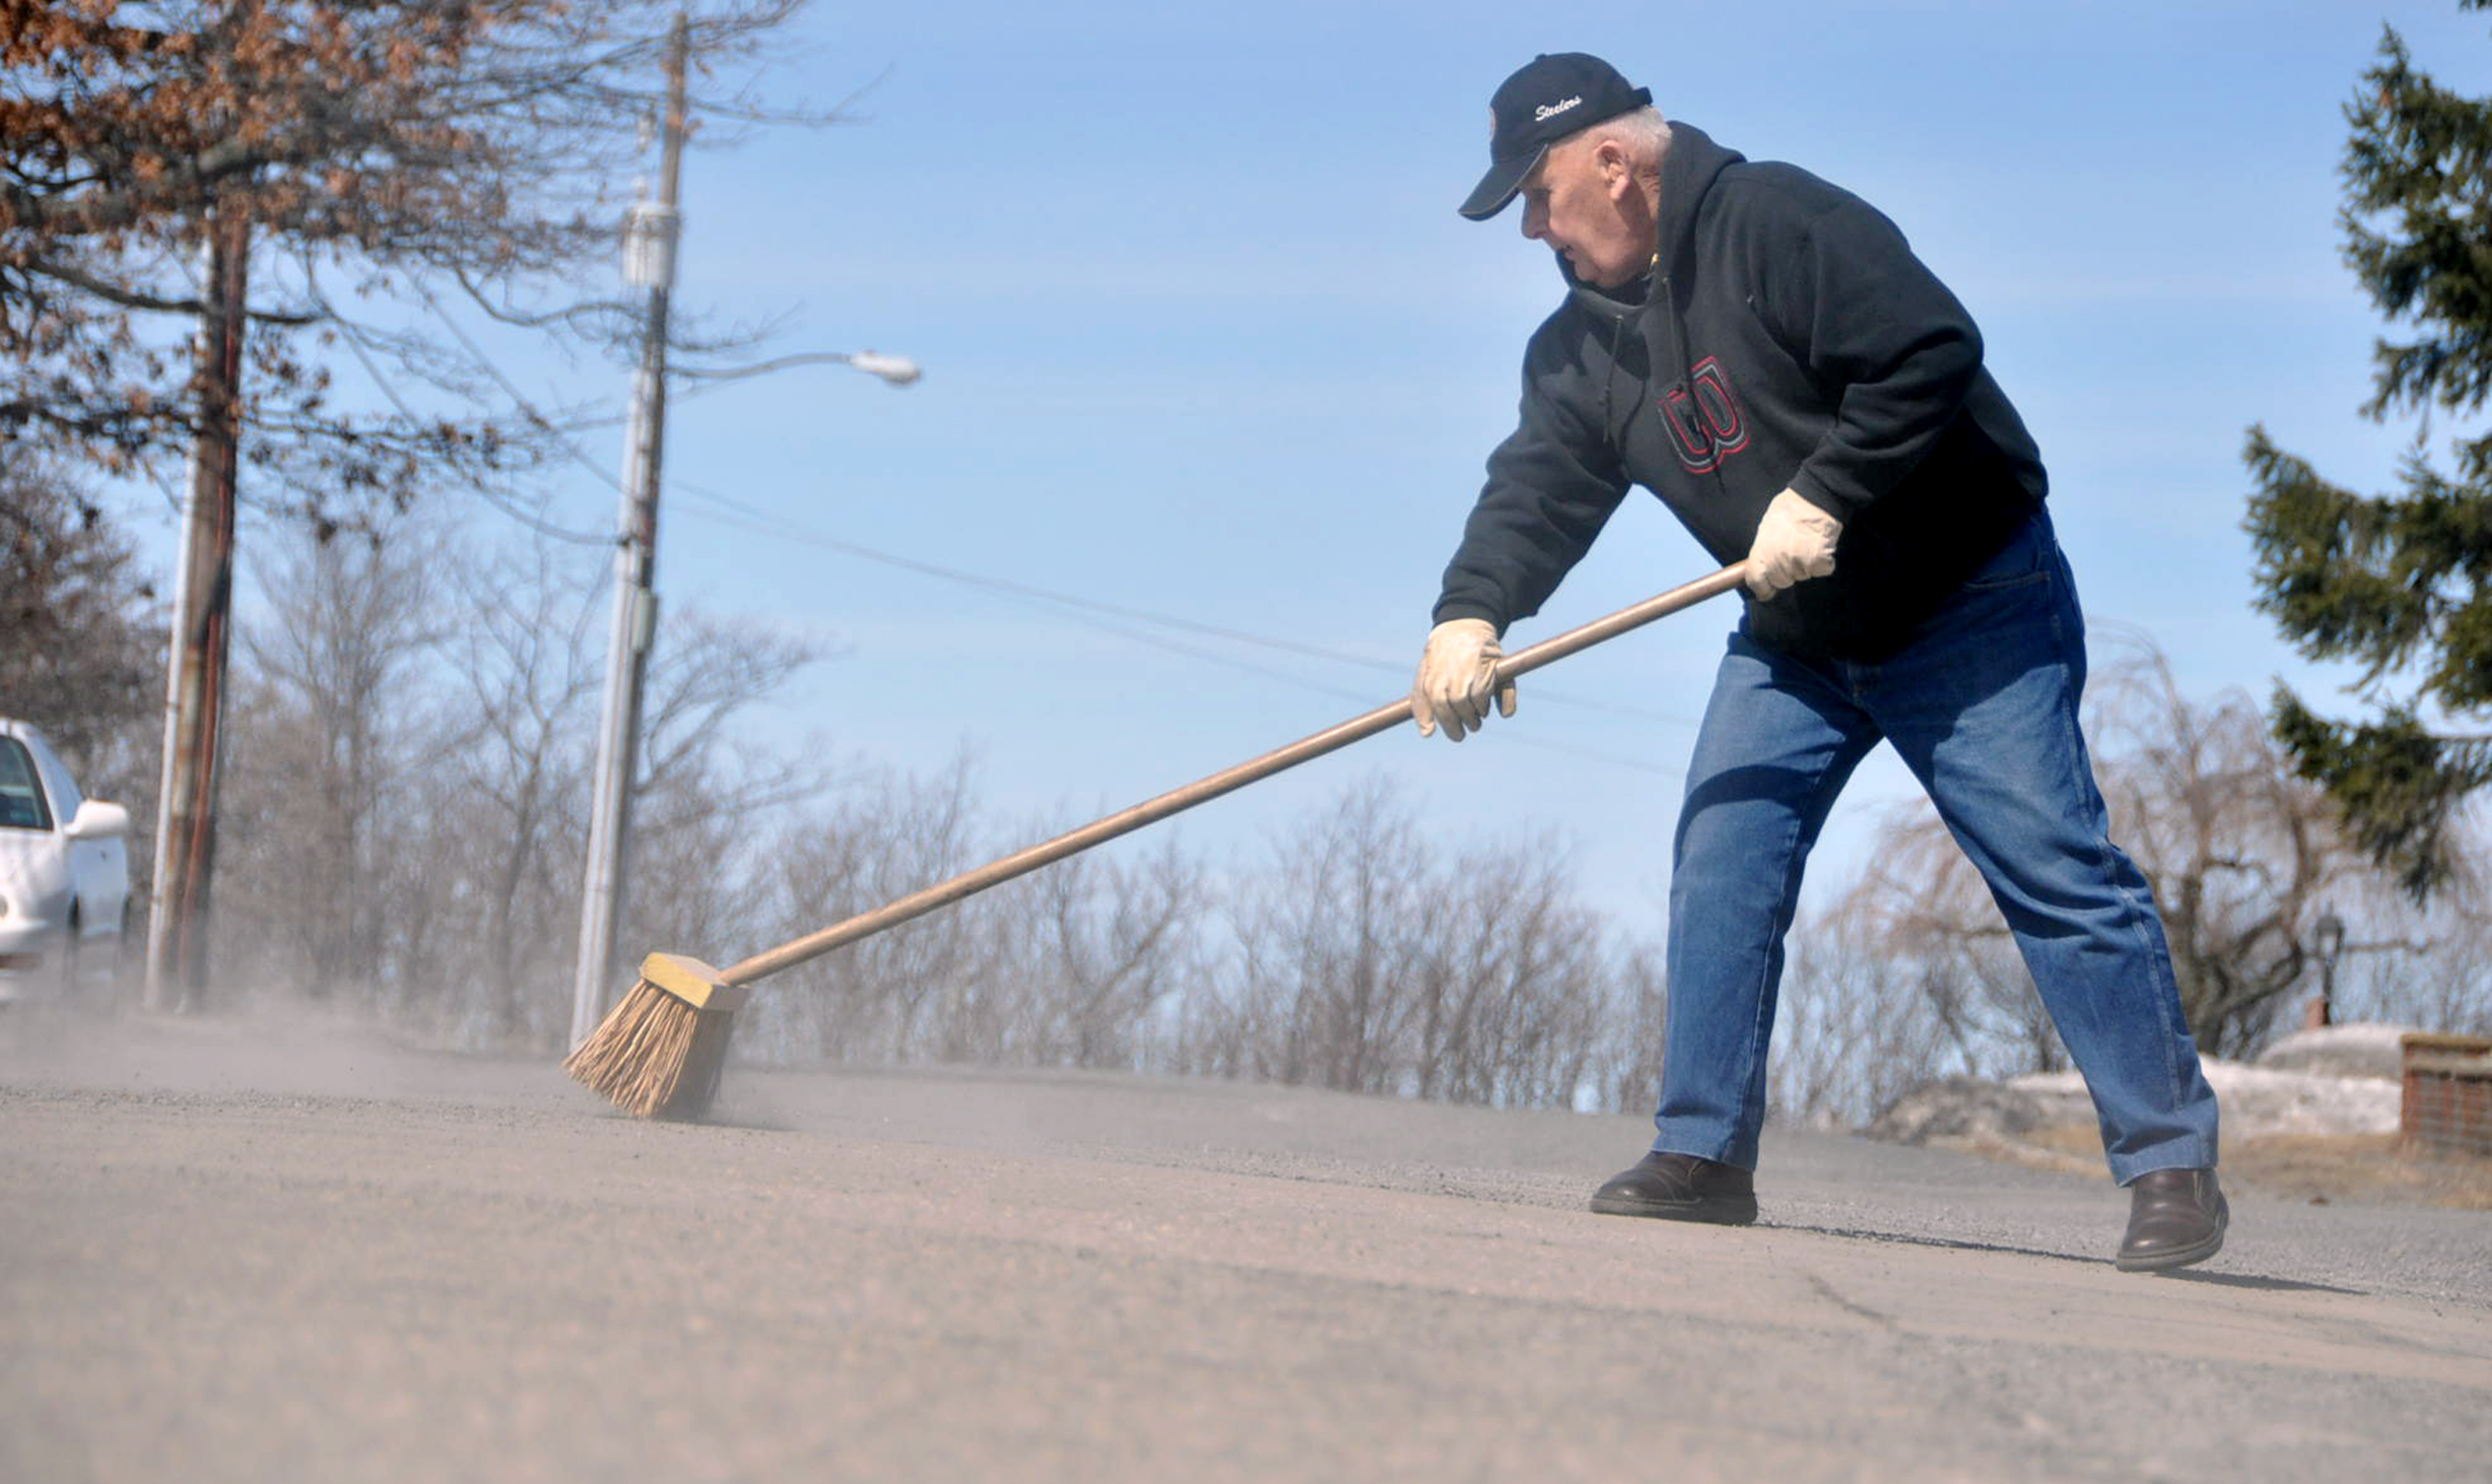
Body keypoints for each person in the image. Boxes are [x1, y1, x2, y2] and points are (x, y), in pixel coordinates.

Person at [1410, 53, 2227, 1272]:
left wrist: (1830, 488)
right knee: (1723, 854)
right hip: (1797, 635)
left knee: (2051, 862)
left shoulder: (1777, 223)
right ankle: (1702, 1152)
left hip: (1967, 599)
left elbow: (1930, 348)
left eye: (1537, 195)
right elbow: (1541, 489)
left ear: (1614, 165)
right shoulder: (1577, 351)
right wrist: (1470, 614)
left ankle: (2170, 1165)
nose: (1533, 229)